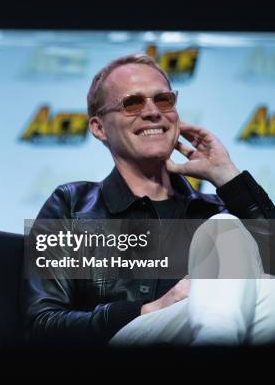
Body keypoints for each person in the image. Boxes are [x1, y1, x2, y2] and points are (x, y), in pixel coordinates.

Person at [23, 53, 275, 346]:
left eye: (163, 100)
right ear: (99, 128)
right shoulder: (72, 205)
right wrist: (150, 309)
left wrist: (228, 176)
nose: (153, 111)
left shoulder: (214, 212)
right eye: (132, 103)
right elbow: (40, 325)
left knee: (232, 240)